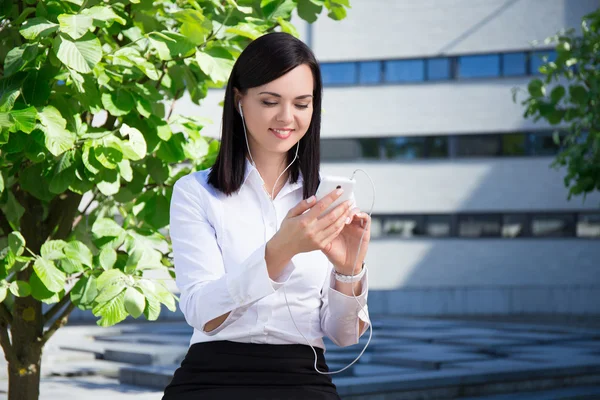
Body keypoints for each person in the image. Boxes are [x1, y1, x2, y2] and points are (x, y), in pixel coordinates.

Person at [162, 31, 371, 400]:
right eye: (270, 101)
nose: (286, 117)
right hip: (212, 375)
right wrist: (280, 250)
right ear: (239, 100)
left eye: (302, 104)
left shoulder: (326, 199)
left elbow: (343, 335)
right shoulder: (196, 193)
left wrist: (348, 270)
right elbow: (202, 312)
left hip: (304, 377)